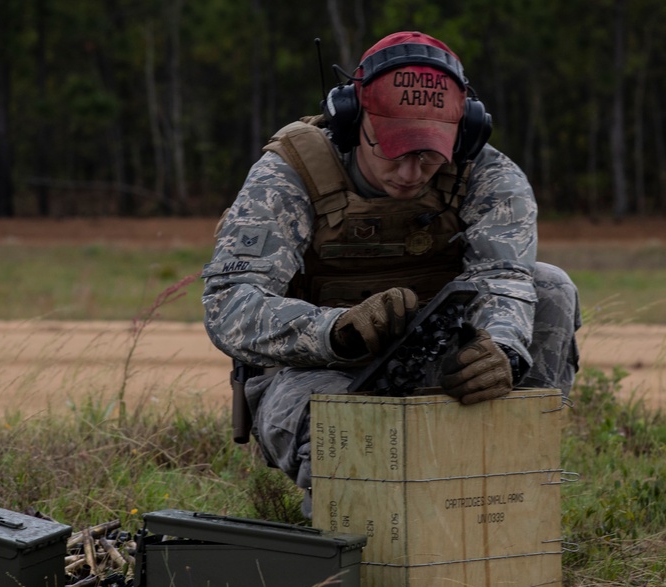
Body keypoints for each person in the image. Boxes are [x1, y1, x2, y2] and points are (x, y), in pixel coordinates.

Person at [201, 31, 580, 515]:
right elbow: (229, 304)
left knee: (551, 286)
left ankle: (511, 491)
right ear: (351, 122)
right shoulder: (289, 174)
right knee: (357, 452)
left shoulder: (486, 175)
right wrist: (332, 331)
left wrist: (502, 352)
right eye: (393, 151)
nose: (409, 173)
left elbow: (504, 278)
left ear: (464, 136)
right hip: (315, 369)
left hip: (437, 358)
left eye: (428, 155)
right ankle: (355, 528)